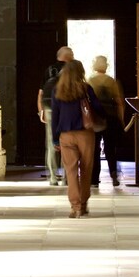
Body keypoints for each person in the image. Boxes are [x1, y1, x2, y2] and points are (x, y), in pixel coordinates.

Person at [51, 59, 106, 218]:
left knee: (71, 171)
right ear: (80, 73)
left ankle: (74, 206)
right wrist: (104, 117)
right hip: (85, 133)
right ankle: (83, 203)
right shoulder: (86, 89)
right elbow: (97, 107)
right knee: (86, 169)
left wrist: (55, 138)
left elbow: (55, 116)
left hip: (66, 135)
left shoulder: (57, 91)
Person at [38, 46, 73, 185]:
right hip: (65, 108)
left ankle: (52, 177)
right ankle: (66, 178)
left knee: (51, 143)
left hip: (50, 108)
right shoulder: (71, 69)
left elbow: (41, 92)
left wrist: (41, 110)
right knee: (67, 142)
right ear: (68, 56)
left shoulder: (49, 69)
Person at [88, 55, 125, 186]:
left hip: (95, 118)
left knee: (95, 149)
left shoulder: (90, 81)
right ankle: (114, 174)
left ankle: (94, 179)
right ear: (106, 65)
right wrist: (121, 118)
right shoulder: (111, 81)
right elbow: (119, 102)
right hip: (110, 118)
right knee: (110, 148)